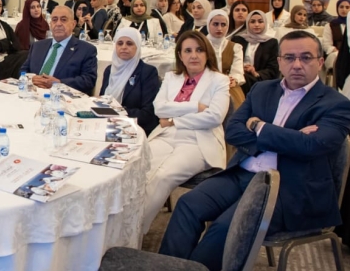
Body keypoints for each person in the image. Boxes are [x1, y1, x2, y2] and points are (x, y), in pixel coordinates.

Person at [159, 31, 350, 271]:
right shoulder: (262, 90)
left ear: (320, 62)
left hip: (289, 188)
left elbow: (311, 146)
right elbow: (233, 131)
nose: (297, 64)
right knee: (188, 204)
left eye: (306, 57)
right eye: (289, 57)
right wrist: (291, 138)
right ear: (279, 61)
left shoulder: (336, 104)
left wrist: (259, 126)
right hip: (243, 173)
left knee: (226, 227)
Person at [143, 30, 231, 234]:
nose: (194, 55)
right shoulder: (171, 77)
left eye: (199, 50)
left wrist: (174, 120)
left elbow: (214, 117)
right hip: (166, 135)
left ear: (207, 53)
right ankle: (124, 225)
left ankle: (135, 231)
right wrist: (195, 106)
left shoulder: (219, 80)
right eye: (188, 51)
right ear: (180, 55)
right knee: (140, 170)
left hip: (199, 141)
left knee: (163, 176)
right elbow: (159, 108)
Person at [21, 5, 98, 94]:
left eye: (63, 20)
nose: (58, 24)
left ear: (73, 24)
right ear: (50, 24)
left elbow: (89, 80)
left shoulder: (86, 50)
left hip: (62, 97)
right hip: (32, 94)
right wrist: (31, 78)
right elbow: (23, 70)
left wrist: (58, 83)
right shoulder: (38, 46)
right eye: (54, 20)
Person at [99, 28, 161, 136]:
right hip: (106, 124)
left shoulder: (147, 72)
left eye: (129, 43)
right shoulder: (109, 70)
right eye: (120, 43)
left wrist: (117, 111)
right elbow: (101, 102)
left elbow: (148, 114)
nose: (124, 47)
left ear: (137, 46)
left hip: (135, 129)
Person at [231, 10, 279, 94]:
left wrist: (254, 72)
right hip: (239, 76)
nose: (256, 24)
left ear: (265, 23)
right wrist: (241, 67)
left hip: (260, 80)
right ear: (247, 23)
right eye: (252, 22)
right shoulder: (238, 39)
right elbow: (230, 61)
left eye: (260, 21)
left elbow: (273, 69)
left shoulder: (271, 42)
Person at [206, 9, 246, 104]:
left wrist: (233, 80)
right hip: (205, 85)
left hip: (228, 86)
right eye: (215, 24)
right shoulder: (200, 45)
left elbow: (237, 71)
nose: (219, 28)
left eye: (223, 25)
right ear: (208, 25)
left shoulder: (235, 47)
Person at [323, 0, 350, 80]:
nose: (344, 10)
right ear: (337, 8)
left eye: (347, 7)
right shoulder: (330, 25)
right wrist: (336, 51)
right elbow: (326, 44)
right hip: (335, 53)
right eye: (341, 7)